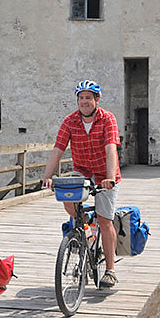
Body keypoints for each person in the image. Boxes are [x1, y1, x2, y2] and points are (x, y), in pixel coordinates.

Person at [41, 80, 121, 289]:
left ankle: (110, 271)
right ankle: (83, 230)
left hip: (105, 173)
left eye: (88, 97)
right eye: (81, 98)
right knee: (68, 200)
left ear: (97, 100)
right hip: (83, 170)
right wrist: (47, 176)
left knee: (105, 220)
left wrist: (110, 178)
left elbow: (111, 148)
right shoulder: (70, 121)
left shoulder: (107, 119)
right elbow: (58, 149)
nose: (84, 102)